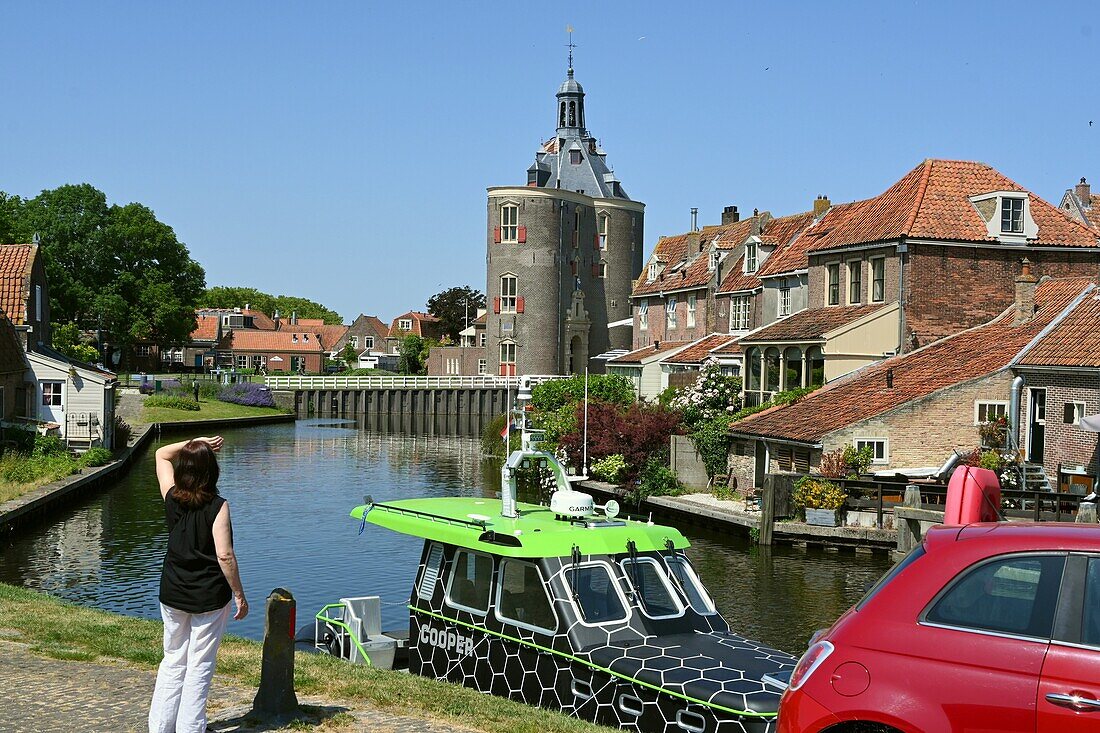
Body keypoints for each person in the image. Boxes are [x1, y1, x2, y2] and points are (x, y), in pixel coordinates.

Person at [148, 436, 248, 733]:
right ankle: (191, 728)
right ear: (212, 471)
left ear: (183, 470)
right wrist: (239, 594)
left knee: (173, 659)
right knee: (199, 664)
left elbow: (162, 454)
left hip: (173, 591)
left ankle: (161, 727)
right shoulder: (218, 506)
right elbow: (224, 555)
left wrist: (194, 442)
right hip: (208, 597)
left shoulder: (171, 495)